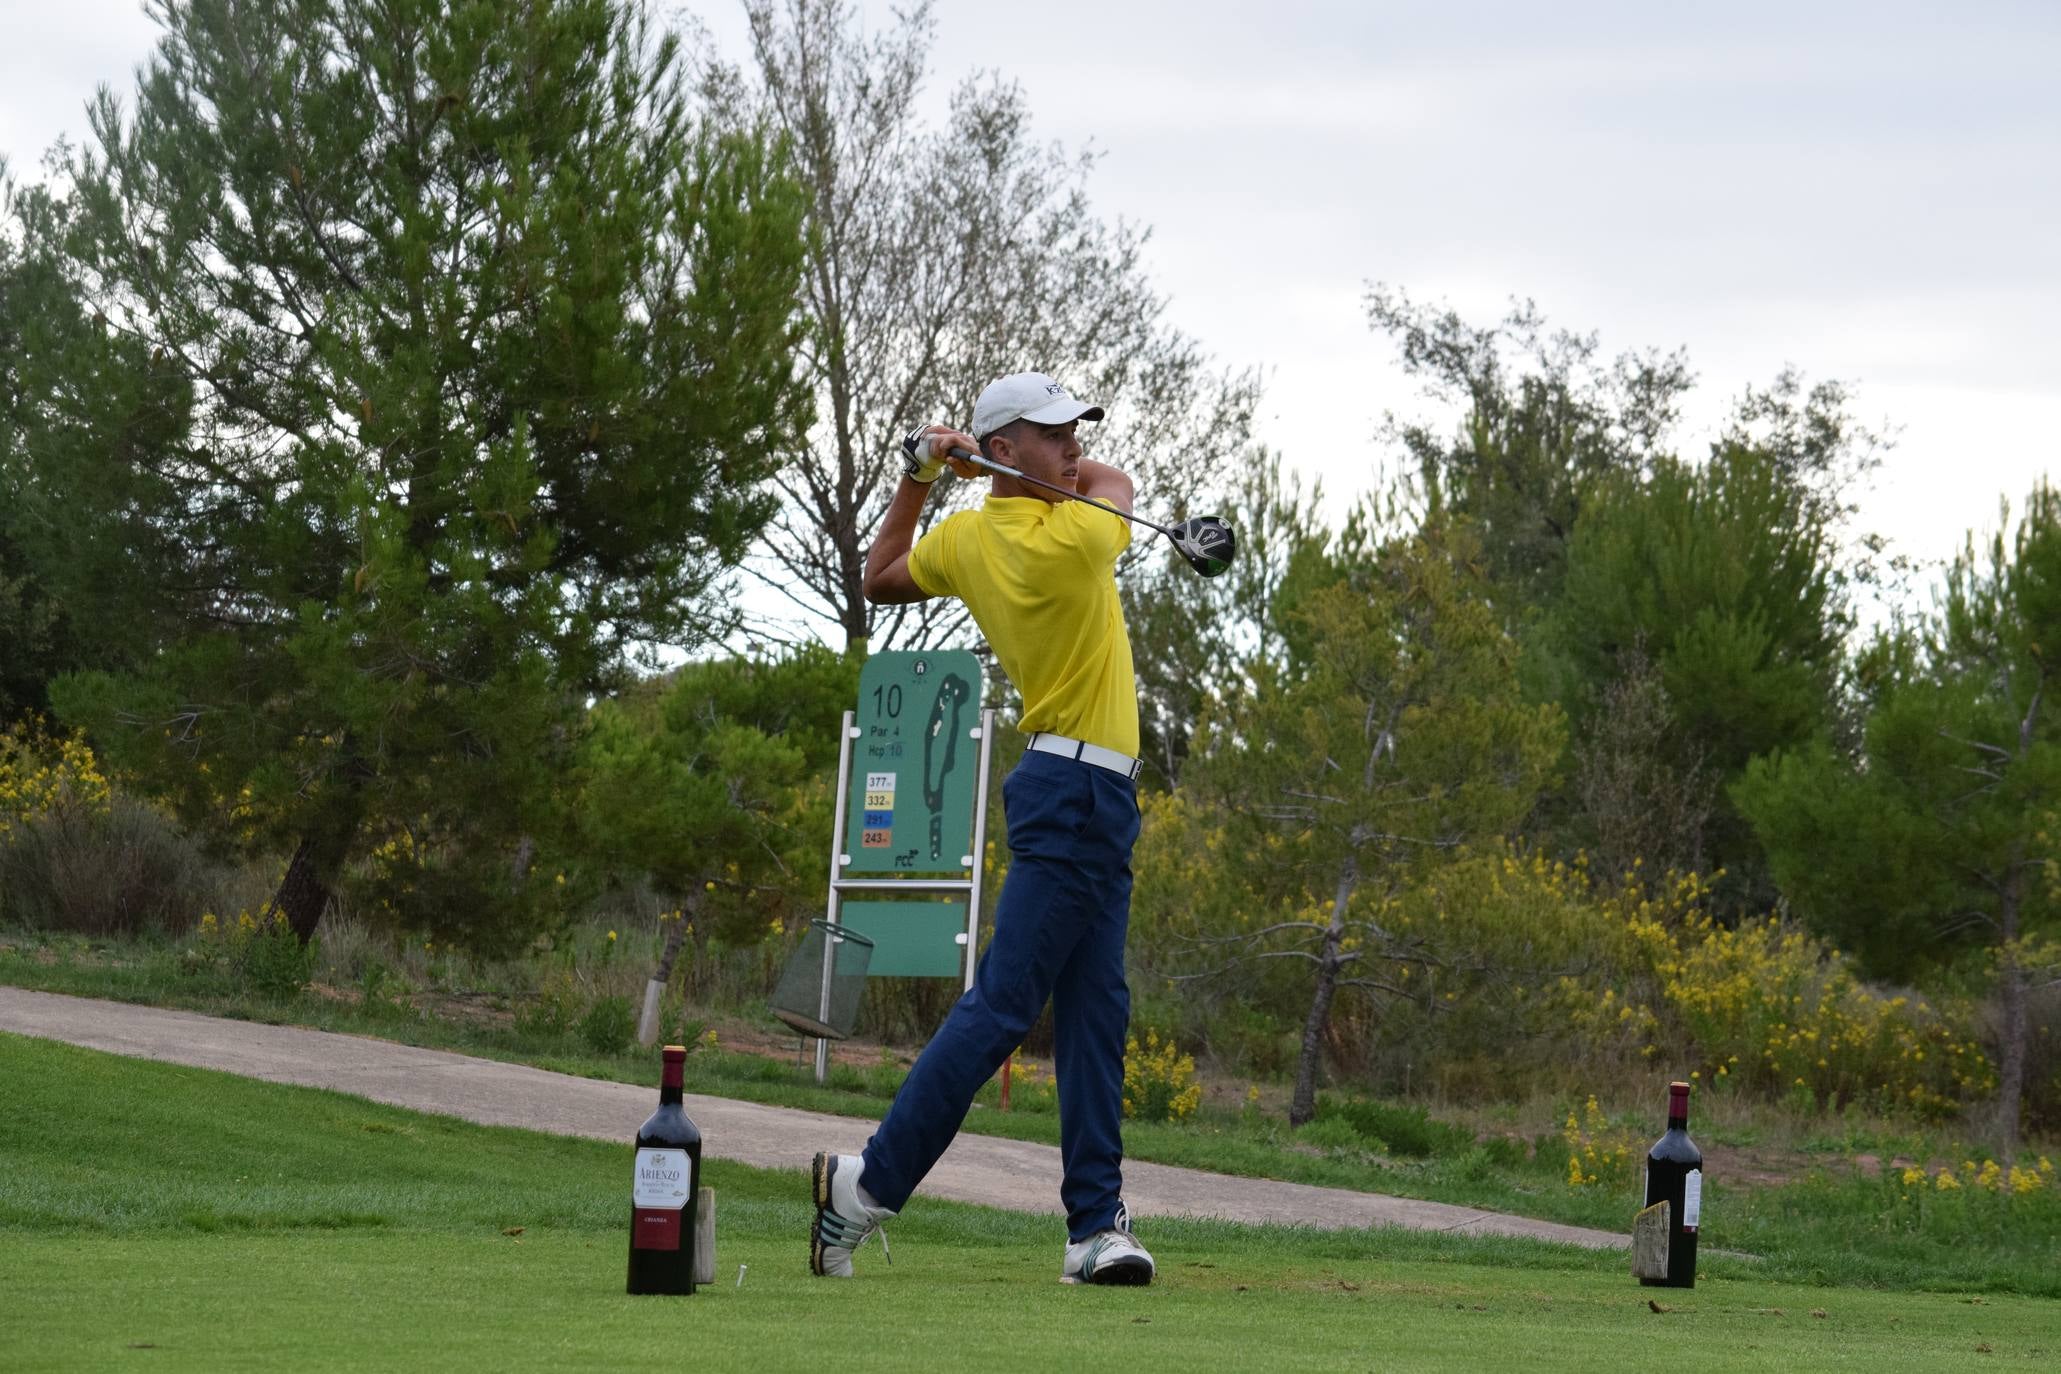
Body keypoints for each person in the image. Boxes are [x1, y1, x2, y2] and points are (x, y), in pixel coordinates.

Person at [809, 372, 1155, 1287]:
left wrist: (922, 475)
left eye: (1075, 427)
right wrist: (1003, 472)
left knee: (1094, 1015)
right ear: (1004, 449)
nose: (1074, 443)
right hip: (1075, 792)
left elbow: (881, 574)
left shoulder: (969, 535)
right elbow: (1112, 483)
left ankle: (1093, 1229)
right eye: (1051, 433)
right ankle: (866, 1185)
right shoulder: (1075, 539)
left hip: (1088, 796)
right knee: (1003, 1007)